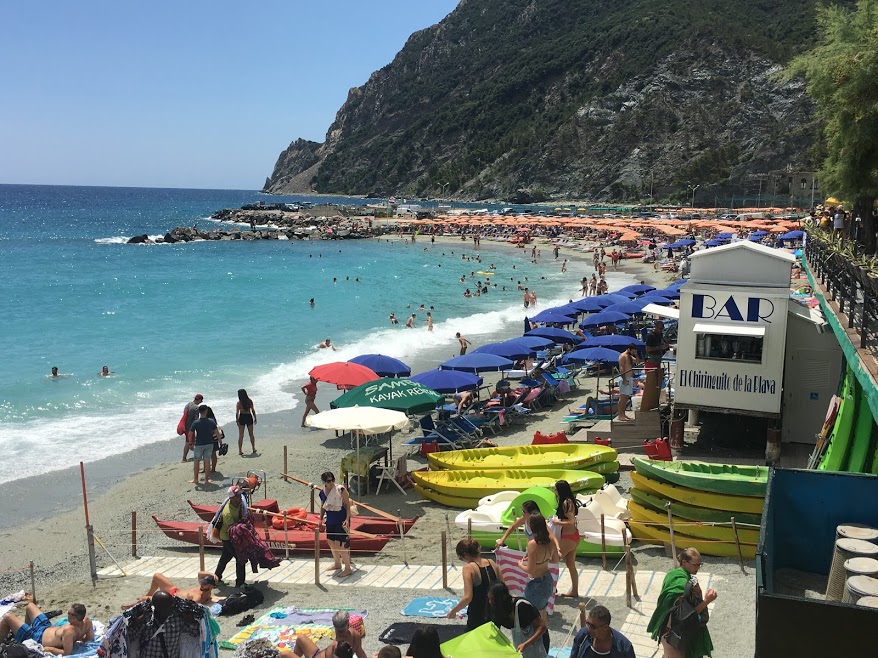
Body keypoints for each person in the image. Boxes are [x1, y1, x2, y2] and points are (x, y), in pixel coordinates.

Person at [648, 548, 716, 658]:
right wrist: (707, 601)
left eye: (700, 564)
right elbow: (685, 616)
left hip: (669, 628)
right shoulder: (681, 584)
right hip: (674, 633)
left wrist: (697, 594)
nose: (698, 568)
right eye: (695, 565)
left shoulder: (672, 574)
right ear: (684, 562)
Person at [0, 596, 93, 656]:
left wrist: (50, 649)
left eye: (69, 613)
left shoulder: (69, 631)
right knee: (30, 606)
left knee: (7, 618)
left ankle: (23, 635)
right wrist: (79, 638)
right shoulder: (87, 621)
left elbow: (67, 653)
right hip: (46, 626)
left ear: (75, 618)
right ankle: (21, 634)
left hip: (36, 637)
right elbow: (89, 639)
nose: (67, 614)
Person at [446, 538, 502, 630]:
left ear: (465, 555)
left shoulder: (469, 568)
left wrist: (453, 611)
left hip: (478, 614)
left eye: (461, 558)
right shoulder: (491, 563)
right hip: (495, 612)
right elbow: (503, 585)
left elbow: (468, 597)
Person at [488, 582, 548, 657]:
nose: (490, 602)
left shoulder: (522, 606)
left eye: (492, 599)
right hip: (522, 645)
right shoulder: (499, 611)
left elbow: (542, 627)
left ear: (500, 599)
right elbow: (495, 630)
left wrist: (526, 644)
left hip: (537, 643)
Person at [519, 513, 560, 621]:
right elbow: (555, 560)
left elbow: (530, 570)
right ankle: (543, 636)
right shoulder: (551, 540)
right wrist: (542, 560)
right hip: (547, 580)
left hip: (536, 584)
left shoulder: (533, 544)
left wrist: (520, 565)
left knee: (528, 615)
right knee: (542, 613)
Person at [210, 485, 248, 588]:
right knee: (240, 558)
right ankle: (240, 583)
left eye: (240, 495)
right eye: (238, 496)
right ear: (232, 498)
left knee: (225, 558)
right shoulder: (227, 513)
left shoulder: (239, 504)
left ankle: (215, 579)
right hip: (228, 537)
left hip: (231, 535)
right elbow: (235, 529)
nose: (240, 497)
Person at [121, 572, 219, 610]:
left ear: (210, 586)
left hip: (171, 599)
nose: (201, 584)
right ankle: (149, 594)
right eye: (202, 582)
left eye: (204, 583)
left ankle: (130, 606)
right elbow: (199, 573)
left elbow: (186, 607)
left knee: (144, 599)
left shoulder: (198, 597)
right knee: (157, 576)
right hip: (175, 591)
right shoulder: (205, 588)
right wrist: (212, 574)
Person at [319, 471, 353, 577]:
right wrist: (320, 520)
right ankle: (337, 563)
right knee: (331, 542)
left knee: (340, 545)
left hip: (341, 519)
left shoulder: (341, 490)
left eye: (333, 480)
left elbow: (348, 505)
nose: (332, 483)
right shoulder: (322, 492)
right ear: (324, 482)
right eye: (329, 481)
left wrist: (347, 519)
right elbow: (323, 506)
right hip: (330, 519)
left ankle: (348, 568)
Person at [291, 611, 364, 658]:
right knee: (301, 638)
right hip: (318, 654)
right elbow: (360, 653)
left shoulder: (336, 647)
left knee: (285, 654)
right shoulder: (355, 634)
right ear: (348, 624)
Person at [571, 605, 635, 658]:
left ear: (605, 627)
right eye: (588, 624)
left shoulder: (624, 647)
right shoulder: (583, 636)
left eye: (593, 626)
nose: (589, 629)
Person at [554, 480, 581, 597]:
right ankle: (574, 591)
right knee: (570, 564)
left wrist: (557, 522)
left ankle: (551, 588)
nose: (555, 491)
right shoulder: (569, 501)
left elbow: (571, 521)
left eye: (556, 489)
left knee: (552, 559)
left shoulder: (566, 502)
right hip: (573, 536)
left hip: (568, 537)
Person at [188, 404, 220, 484]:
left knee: (196, 461)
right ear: (206, 411)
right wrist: (220, 441)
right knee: (207, 461)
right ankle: (206, 479)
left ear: (199, 412)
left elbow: (190, 434)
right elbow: (217, 432)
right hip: (209, 443)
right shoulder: (211, 421)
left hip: (199, 444)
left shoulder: (196, 422)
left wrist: (190, 443)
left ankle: (195, 479)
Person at [643, 320, 669, 411]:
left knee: (658, 381)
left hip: (657, 360)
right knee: (652, 381)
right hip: (651, 360)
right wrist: (660, 347)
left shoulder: (660, 335)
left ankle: (654, 400)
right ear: (656, 327)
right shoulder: (651, 336)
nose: (661, 330)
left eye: (662, 328)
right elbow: (648, 349)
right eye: (660, 328)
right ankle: (648, 401)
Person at [616, 343, 639, 422]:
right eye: (633, 351)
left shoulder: (629, 356)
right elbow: (621, 368)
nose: (633, 353)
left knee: (626, 398)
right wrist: (624, 379)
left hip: (629, 378)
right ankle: (620, 415)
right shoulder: (623, 356)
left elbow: (638, 362)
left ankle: (623, 413)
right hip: (624, 378)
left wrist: (636, 354)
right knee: (622, 398)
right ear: (629, 349)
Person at [182, 393, 204, 462]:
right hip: (190, 428)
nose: (201, 402)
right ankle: (184, 458)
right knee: (189, 442)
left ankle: (193, 455)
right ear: (199, 400)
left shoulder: (188, 405)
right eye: (201, 401)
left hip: (185, 426)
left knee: (189, 442)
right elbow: (196, 419)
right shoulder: (196, 408)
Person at [236, 388, 257, 456]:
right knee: (251, 434)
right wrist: (255, 418)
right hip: (248, 417)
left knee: (241, 435)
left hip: (242, 417)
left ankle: (240, 450)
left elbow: (237, 413)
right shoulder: (249, 401)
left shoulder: (239, 403)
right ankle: (253, 448)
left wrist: (237, 420)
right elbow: (253, 410)